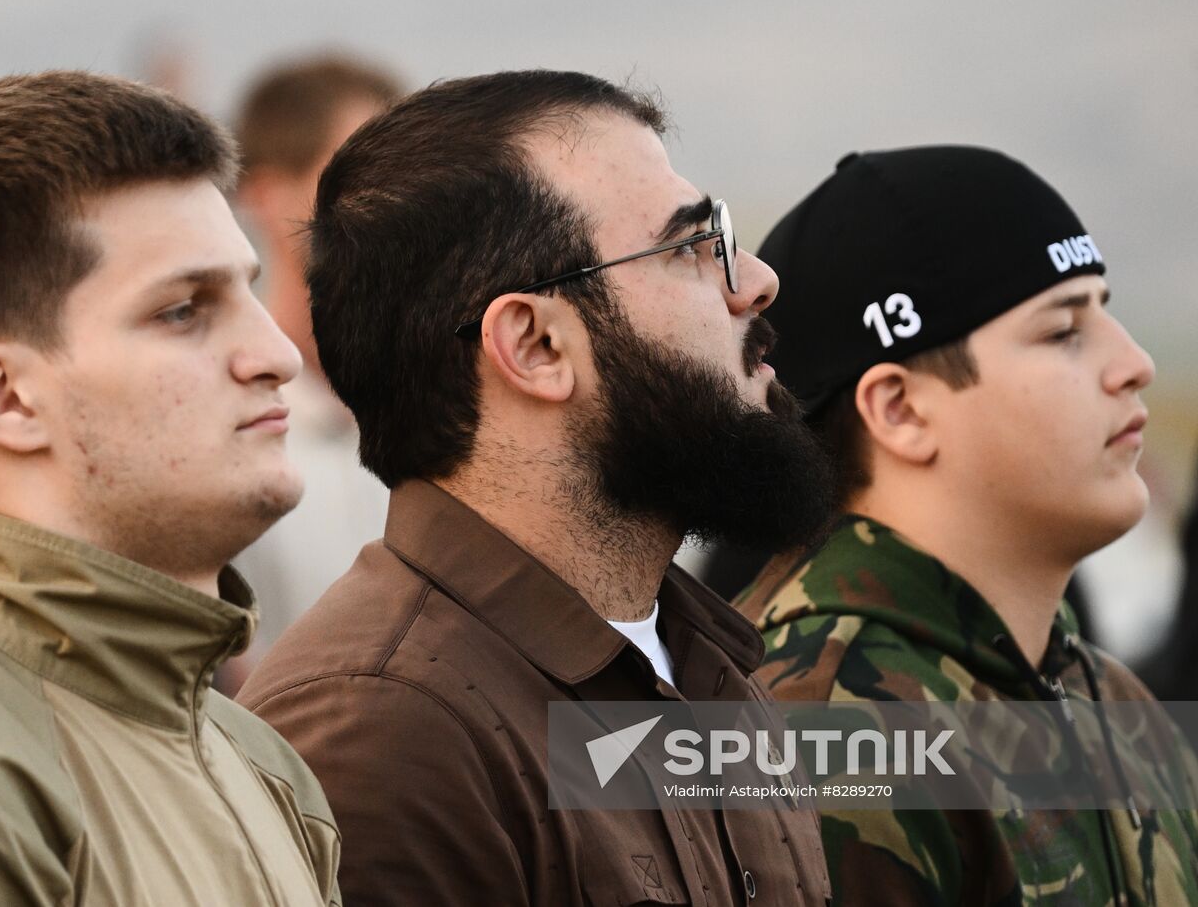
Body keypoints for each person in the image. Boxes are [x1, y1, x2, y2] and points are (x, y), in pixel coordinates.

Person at [236, 69, 836, 905]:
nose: (755, 279)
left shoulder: (704, 664)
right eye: (692, 247)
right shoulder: (387, 733)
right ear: (536, 346)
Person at [0, 71, 340, 906]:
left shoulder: (263, 765)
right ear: (5, 397)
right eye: (183, 309)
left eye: (249, 288)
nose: (275, 353)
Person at [733, 145, 1198, 904]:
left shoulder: (1114, 702)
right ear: (901, 409)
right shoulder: (822, 731)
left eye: (1106, 313)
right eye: (1062, 331)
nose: (1135, 363)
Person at [224, 55, 400, 680]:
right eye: (364, 178)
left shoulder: (464, 415)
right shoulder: (217, 435)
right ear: (269, 199)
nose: (400, 207)